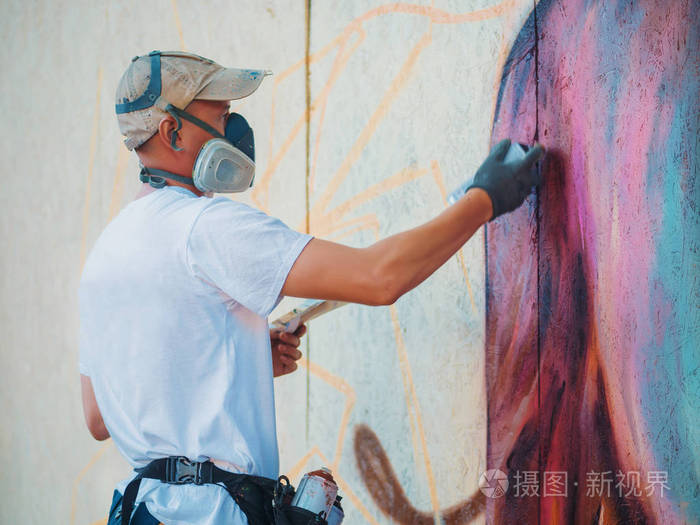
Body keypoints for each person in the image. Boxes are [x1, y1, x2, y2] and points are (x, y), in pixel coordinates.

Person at [79, 50, 544, 525]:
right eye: (219, 115)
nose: (233, 129)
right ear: (171, 131)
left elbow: (99, 417)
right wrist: (484, 199)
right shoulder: (207, 227)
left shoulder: (104, 256)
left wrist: (236, 360)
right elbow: (379, 277)